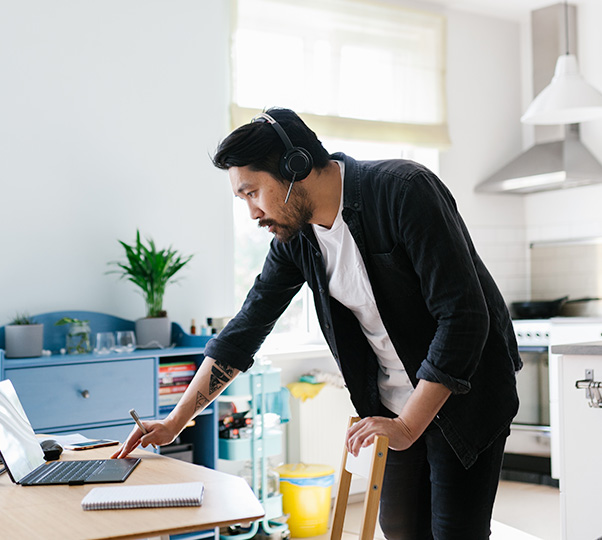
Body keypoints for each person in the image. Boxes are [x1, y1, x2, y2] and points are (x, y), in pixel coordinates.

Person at [117, 107, 521, 540]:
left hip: (464, 395)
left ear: (295, 167)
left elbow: (463, 317)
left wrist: (407, 426)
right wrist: (176, 422)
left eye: (253, 192)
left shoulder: (404, 190)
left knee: (454, 531)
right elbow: (247, 328)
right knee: (401, 529)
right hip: (393, 404)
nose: (253, 213)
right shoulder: (298, 238)